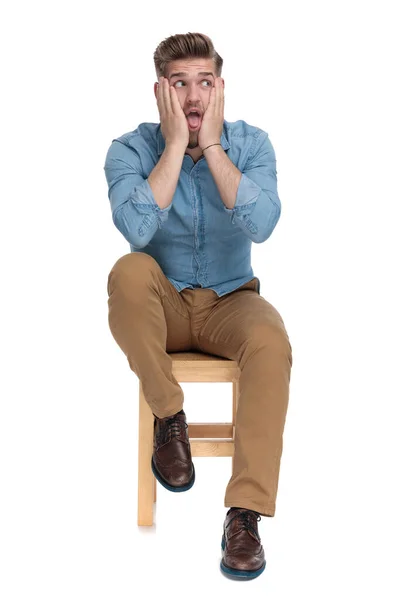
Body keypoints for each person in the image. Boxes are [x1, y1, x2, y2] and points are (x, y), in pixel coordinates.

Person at [104, 32, 293, 580]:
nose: (193, 98)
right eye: (180, 84)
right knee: (127, 271)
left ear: (220, 89)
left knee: (271, 341)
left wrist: (211, 148)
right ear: (161, 90)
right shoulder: (129, 149)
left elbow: (263, 225)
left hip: (231, 301)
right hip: (162, 304)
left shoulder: (252, 145)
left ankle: (245, 515)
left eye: (204, 83)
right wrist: (170, 147)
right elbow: (136, 229)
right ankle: (170, 414)